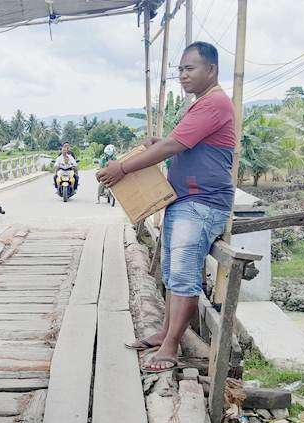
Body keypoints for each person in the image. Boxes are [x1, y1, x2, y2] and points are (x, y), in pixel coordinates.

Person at [97, 41, 235, 373]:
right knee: (174, 275)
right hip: (184, 200)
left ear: (211, 70)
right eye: (180, 70)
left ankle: (171, 347)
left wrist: (123, 168)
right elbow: (182, 145)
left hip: (202, 203)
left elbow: (176, 144)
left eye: (190, 69)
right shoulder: (202, 104)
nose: (183, 76)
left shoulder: (213, 103)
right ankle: (165, 333)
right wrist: (161, 145)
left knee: (184, 277)